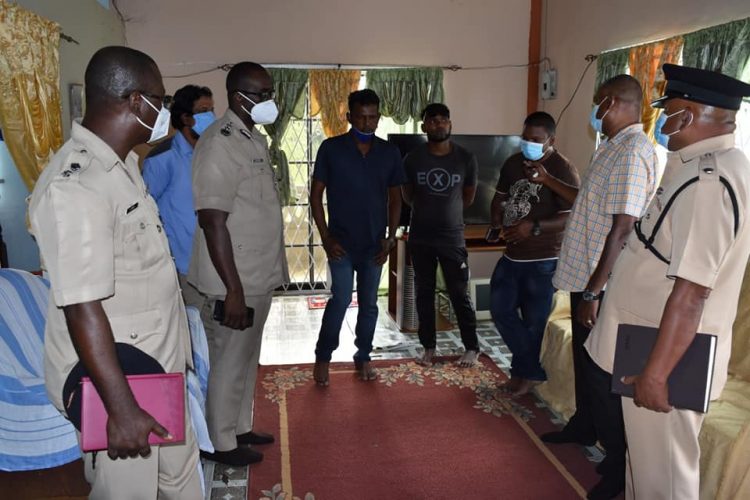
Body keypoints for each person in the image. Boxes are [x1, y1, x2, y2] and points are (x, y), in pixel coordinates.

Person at [27, 46, 201, 499]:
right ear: (135, 101)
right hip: (121, 379)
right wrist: (119, 405)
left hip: (159, 370)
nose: (164, 111)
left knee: (181, 483)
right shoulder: (77, 185)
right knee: (130, 494)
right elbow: (81, 304)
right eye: (160, 102)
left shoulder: (122, 166)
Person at [587, 64, 750, 500]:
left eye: (668, 111)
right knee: (646, 469)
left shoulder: (708, 183)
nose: (661, 122)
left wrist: (656, 374)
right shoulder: (699, 167)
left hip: (667, 354)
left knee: (665, 480)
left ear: (689, 115)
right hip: (650, 340)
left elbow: (693, 291)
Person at [533, 75, 659, 500]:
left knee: (605, 375)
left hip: (602, 284)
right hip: (583, 274)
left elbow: (623, 227)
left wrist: (593, 291)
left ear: (612, 103)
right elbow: (587, 201)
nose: (595, 112)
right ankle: (584, 426)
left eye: (597, 105)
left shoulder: (633, 151)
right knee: (586, 365)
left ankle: (619, 469)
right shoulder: (611, 147)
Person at [186, 62, 288, 466]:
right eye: (261, 94)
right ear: (238, 96)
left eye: (270, 92)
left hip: (256, 273)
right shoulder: (219, 143)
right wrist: (233, 289)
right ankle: (220, 442)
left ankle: (238, 426)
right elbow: (213, 221)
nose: (269, 101)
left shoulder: (251, 138)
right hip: (234, 280)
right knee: (229, 358)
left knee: (247, 355)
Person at [311, 89, 405, 385]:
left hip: (374, 245)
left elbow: (396, 199)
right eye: (362, 117)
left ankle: (363, 356)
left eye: (373, 117)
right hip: (340, 243)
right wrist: (326, 238)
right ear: (349, 117)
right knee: (339, 300)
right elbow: (315, 197)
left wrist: (391, 239)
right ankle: (323, 356)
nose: (368, 123)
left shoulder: (389, 152)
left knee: (369, 304)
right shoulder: (331, 148)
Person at [488, 111, 580, 396]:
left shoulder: (562, 169)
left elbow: (574, 213)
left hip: (544, 261)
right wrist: (496, 220)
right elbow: (499, 197)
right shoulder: (513, 163)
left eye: (536, 140)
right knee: (500, 310)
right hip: (512, 255)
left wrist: (535, 227)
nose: (528, 143)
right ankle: (531, 370)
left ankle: (521, 376)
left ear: (551, 140)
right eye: (524, 138)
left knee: (533, 324)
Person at [402, 103, 480, 368]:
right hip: (421, 237)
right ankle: (428, 348)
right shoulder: (412, 159)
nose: (438, 124)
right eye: (432, 121)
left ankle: (471, 347)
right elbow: (407, 195)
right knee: (424, 293)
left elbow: (468, 197)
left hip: (452, 238)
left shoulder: (465, 157)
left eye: (443, 120)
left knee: (459, 293)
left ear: (450, 124)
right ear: (424, 126)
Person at [142, 85, 214, 283]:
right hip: (180, 265)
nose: (210, 116)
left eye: (211, 110)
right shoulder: (162, 158)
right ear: (185, 118)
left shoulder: (211, 152)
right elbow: (145, 211)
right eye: (203, 111)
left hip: (212, 260)